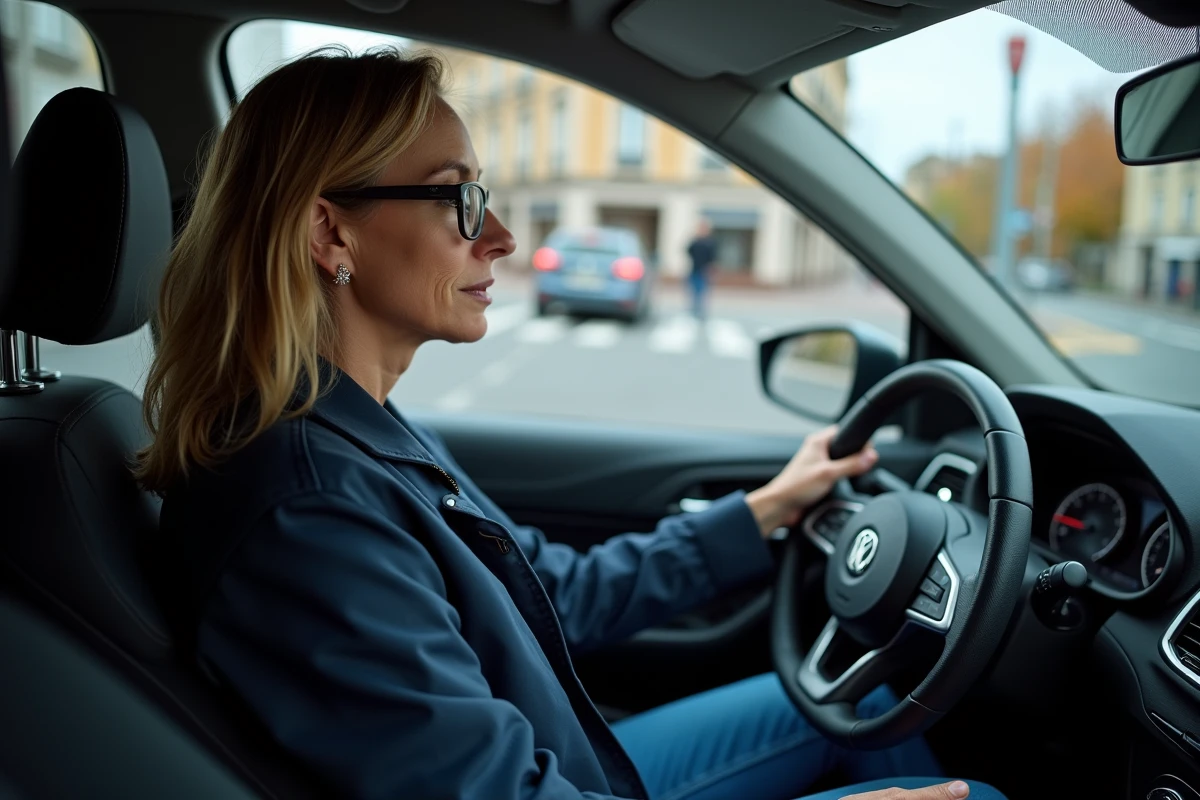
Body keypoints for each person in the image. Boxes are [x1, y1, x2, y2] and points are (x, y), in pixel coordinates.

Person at [137, 47, 1006, 800]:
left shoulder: (355, 432)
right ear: (331, 234)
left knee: (859, 702)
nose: (501, 236)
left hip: (573, 762)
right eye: (456, 199)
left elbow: (554, 594)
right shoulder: (311, 511)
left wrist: (768, 508)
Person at [686, 219, 718, 319]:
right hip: (694, 269)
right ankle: (694, 310)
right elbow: (688, 251)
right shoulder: (695, 241)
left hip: (705, 271)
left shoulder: (710, 242)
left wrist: (711, 269)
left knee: (703, 292)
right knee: (693, 291)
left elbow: (713, 257)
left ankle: (701, 312)